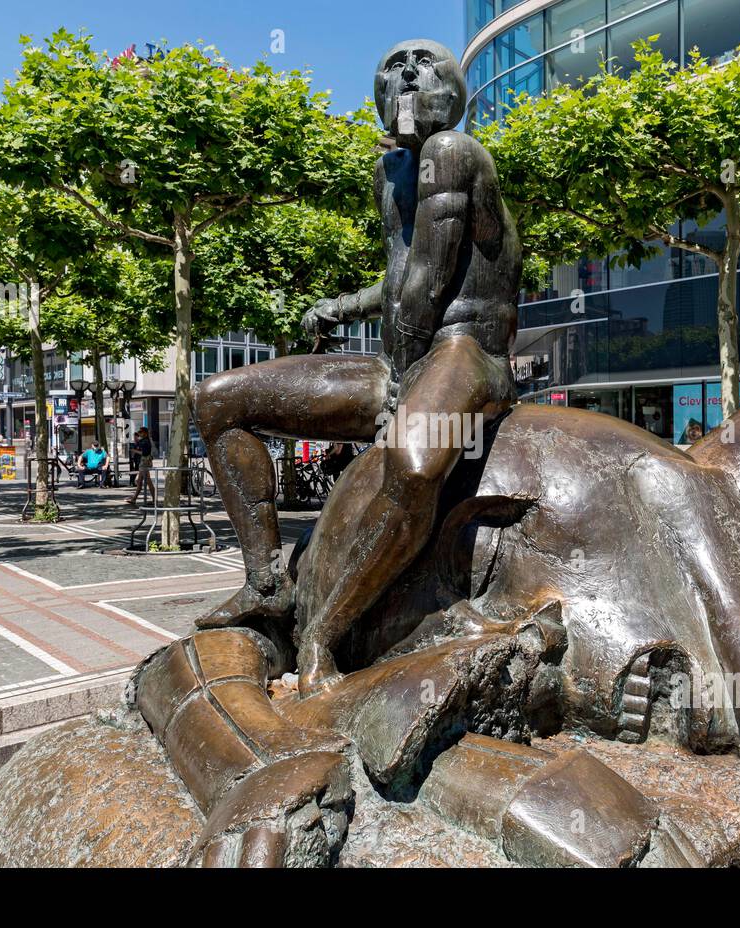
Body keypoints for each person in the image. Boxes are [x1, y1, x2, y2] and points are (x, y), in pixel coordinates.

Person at [195, 39, 521, 695]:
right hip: (403, 359)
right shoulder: (393, 172)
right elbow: (400, 280)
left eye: (424, 63)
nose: (407, 75)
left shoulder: (453, 154)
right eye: (394, 65)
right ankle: (265, 586)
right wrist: (342, 306)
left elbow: (431, 283)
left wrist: (403, 389)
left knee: (412, 460)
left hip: (465, 354)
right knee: (217, 399)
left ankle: (325, 633)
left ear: (453, 86)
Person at [125, 427, 155, 506]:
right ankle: (134, 499)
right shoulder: (144, 440)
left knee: (146, 482)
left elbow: (144, 453)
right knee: (140, 481)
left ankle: (153, 500)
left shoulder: (145, 441)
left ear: (145, 433)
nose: (139, 434)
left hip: (144, 462)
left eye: (141, 432)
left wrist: (134, 451)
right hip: (144, 462)